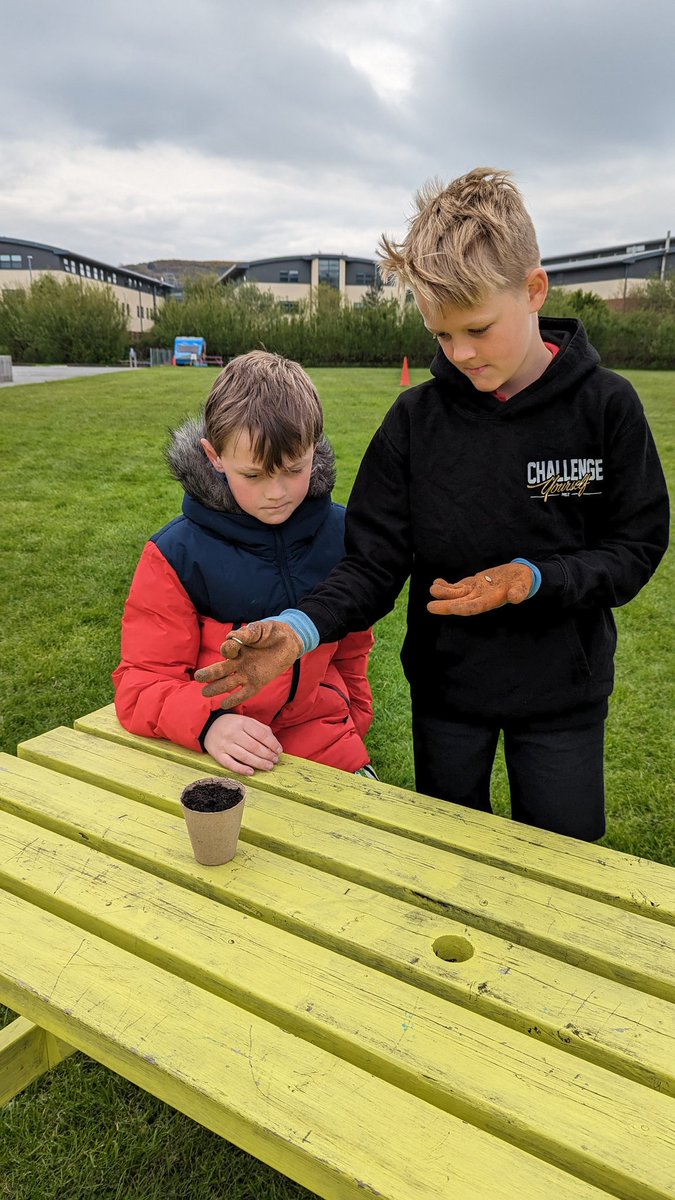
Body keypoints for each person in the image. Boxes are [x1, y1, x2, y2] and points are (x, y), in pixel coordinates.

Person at [194, 169, 669, 840]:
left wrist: (533, 579)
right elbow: (371, 565)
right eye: (441, 336)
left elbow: (635, 547)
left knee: (565, 864)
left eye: (477, 327)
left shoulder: (606, 406)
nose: (461, 353)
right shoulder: (415, 421)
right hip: (449, 694)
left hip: (564, 692)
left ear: (533, 290)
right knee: (450, 861)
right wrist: (299, 631)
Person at [113, 350, 376, 778]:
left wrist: (354, 719)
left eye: (294, 469)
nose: (277, 492)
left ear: (315, 447)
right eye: (253, 476)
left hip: (325, 737)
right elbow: (140, 682)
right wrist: (209, 724)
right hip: (214, 747)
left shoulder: (344, 535)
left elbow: (353, 650)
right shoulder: (176, 555)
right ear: (214, 457)